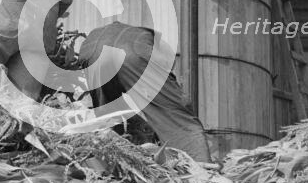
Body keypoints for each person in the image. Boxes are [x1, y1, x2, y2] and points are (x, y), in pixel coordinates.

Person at [78, 21, 212, 162]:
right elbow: (166, 100)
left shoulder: (141, 36)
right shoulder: (162, 50)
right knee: (177, 118)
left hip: (91, 50)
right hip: (132, 51)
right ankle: (201, 169)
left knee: (107, 118)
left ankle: (107, 160)